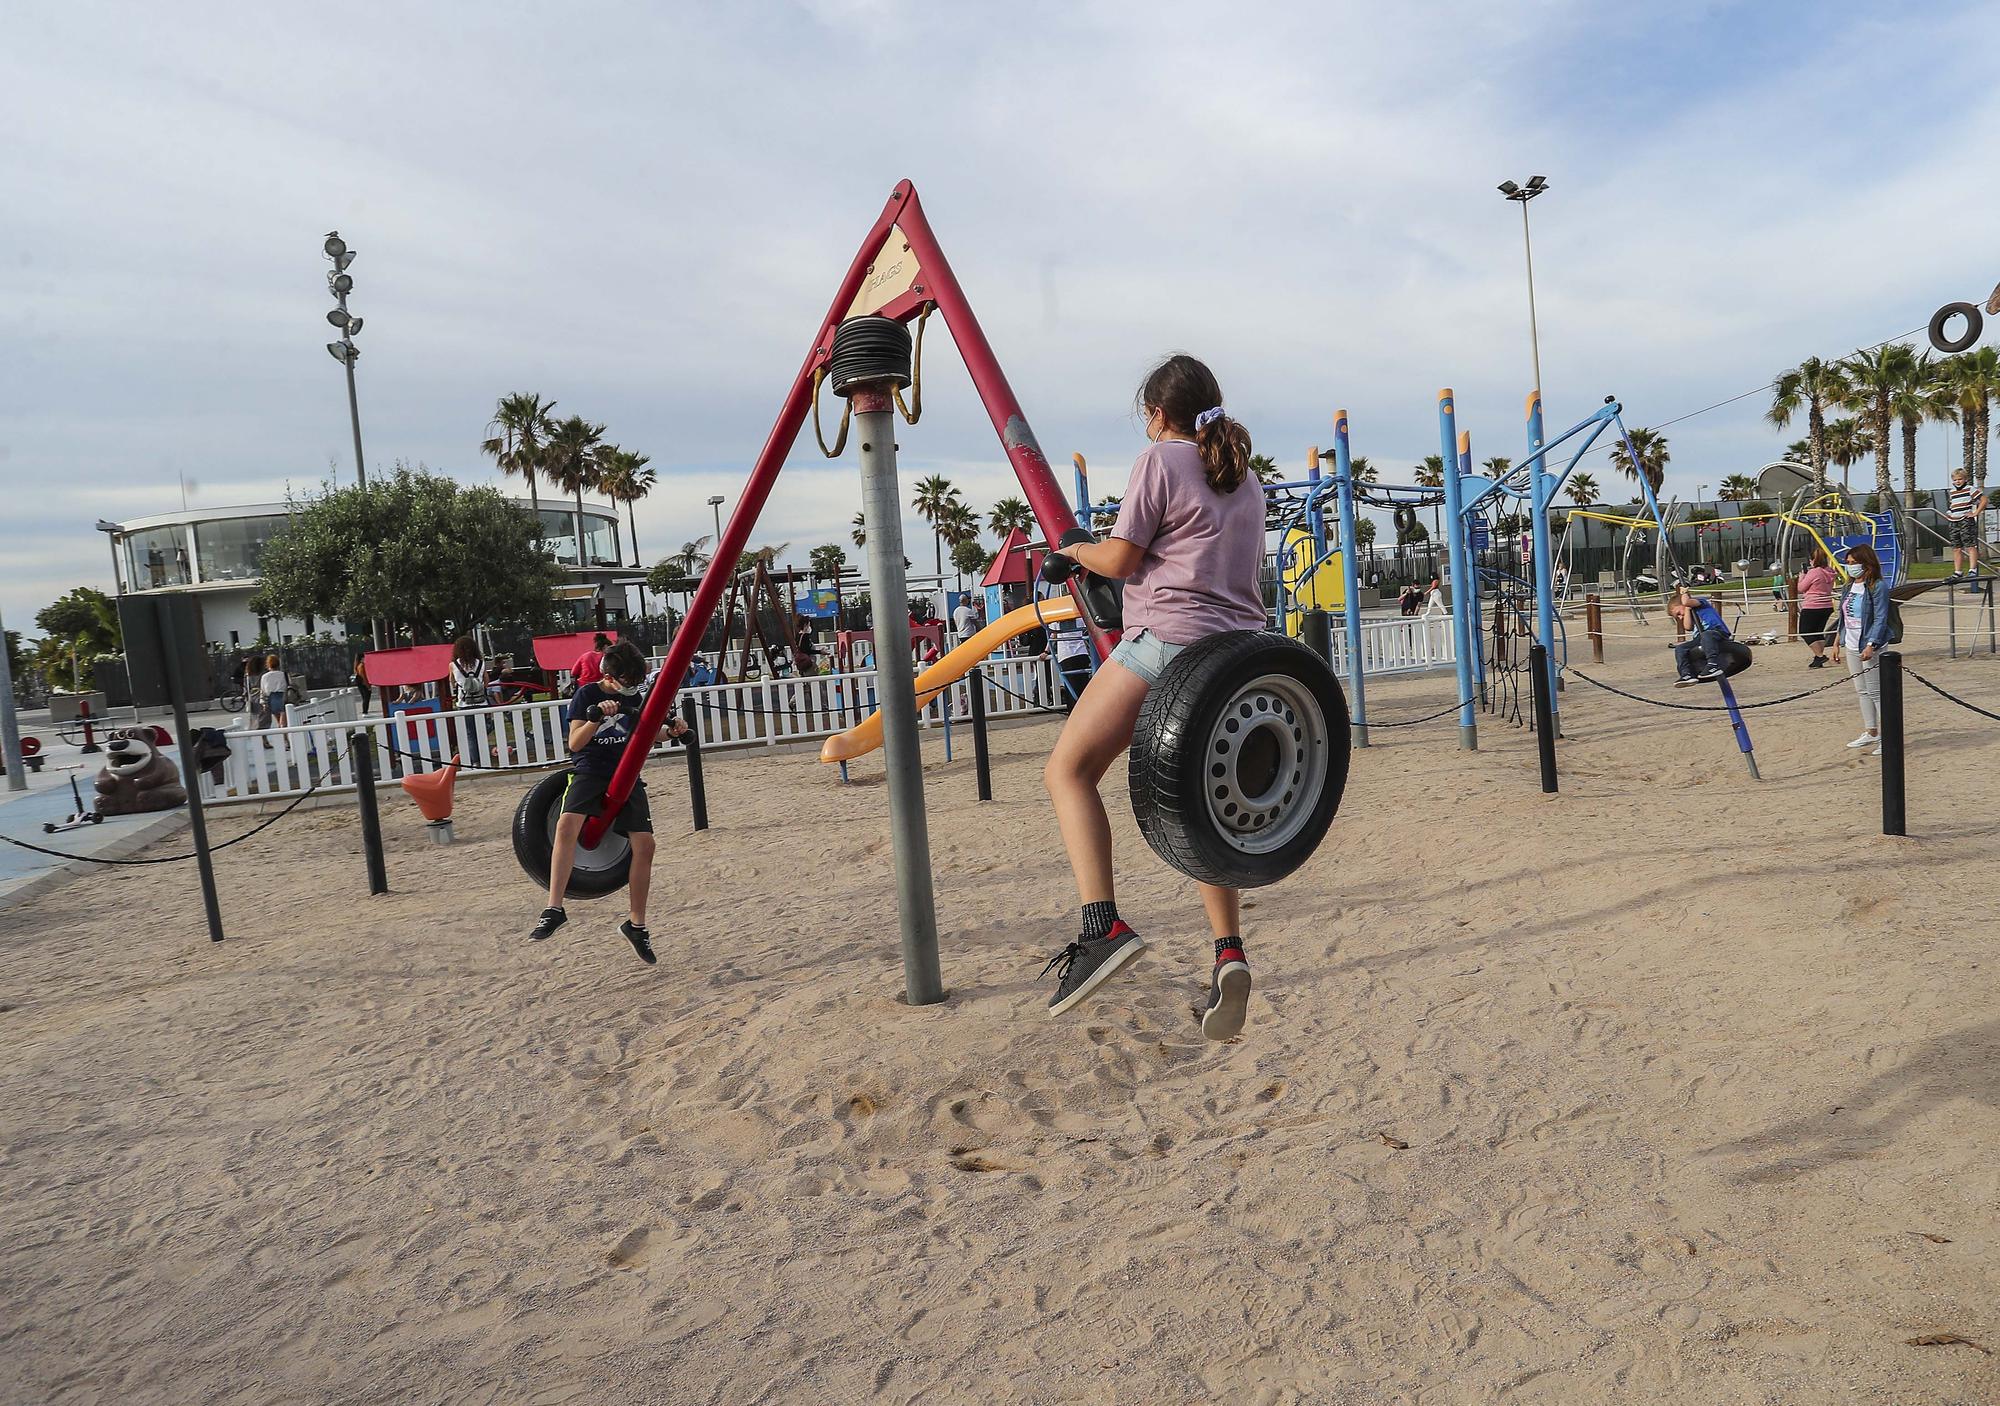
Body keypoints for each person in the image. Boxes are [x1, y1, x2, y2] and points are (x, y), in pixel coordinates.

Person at [1039, 354, 1267, 1040]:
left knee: (1068, 772)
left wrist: (1075, 549)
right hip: (1238, 658)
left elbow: (1122, 560)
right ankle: (1228, 950)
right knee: (1196, 811)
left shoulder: (1162, 461)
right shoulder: (1246, 478)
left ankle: (1101, 926)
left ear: (1158, 414)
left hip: (1166, 645)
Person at [529, 641, 687, 962]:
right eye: (627, 681)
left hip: (625, 773)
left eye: (635, 682)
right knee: (566, 825)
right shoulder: (586, 695)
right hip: (591, 770)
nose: (631, 688)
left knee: (645, 845)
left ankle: (636, 924)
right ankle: (554, 908)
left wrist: (671, 733)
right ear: (610, 677)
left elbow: (647, 732)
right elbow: (575, 742)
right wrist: (596, 719)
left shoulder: (637, 698)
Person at [1837, 542, 1895, 755]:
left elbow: (1880, 617)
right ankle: (1871, 731)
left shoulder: (1877, 586)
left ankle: (1889, 737)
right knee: (1861, 690)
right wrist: (1837, 642)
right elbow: (1842, 615)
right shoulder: (1848, 586)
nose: (1850, 567)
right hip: (1851, 643)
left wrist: (1871, 644)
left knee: (1876, 691)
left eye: (1854, 563)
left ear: (1866, 564)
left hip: (1870, 644)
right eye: (1848, 563)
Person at [1665, 588, 1731, 686]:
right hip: (1700, 639)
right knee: (1680, 648)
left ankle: (1713, 664)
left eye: (1678, 613)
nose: (1680, 617)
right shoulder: (1689, 612)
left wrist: (1684, 594)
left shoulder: (1701, 603)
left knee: (1706, 634)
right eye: (1677, 617)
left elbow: (1687, 602)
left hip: (1716, 632)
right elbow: (1687, 626)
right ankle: (1686, 674)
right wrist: (1687, 609)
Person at [1796, 548, 1836, 669]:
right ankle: (1818, 657)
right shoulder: (1830, 571)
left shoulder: (1814, 572)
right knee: (1818, 632)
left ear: (1813, 560)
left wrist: (1802, 577)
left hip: (1812, 605)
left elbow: (1801, 588)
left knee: (1805, 632)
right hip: (1827, 605)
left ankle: (1820, 655)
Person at [1944, 467, 1987, 580]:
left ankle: (1972, 569)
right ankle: (1958, 571)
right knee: (1956, 547)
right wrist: (1949, 514)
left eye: (1960, 479)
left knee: (1970, 545)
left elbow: (1984, 500)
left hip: (1965, 520)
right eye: (1955, 480)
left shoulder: (1970, 489)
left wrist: (1975, 512)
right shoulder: (1952, 492)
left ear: (1965, 479)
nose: (1957, 482)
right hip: (1954, 521)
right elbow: (1953, 505)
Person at [449, 635, 490, 709]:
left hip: (463, 702)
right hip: (481, 701)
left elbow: (452, 681)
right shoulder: (481, 663)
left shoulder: (453, 665)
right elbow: (486, 679)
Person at [260, 653, 289, 725]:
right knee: (284, 720)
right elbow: (289, 686)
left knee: (278, 719)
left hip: (272, 699)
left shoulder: (264, 677)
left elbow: (263, 691)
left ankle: (283, 733)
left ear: (268, 664)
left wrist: (263, 703)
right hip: (284, 697)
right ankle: (285, 735)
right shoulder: (284, 674)